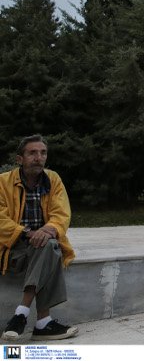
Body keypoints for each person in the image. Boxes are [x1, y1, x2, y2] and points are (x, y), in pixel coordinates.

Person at [1, 135, 78, 341]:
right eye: (32, 153)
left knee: (49, 245)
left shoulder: (53, 179)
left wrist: (47, 230)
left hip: (43, 243)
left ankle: (21, 314)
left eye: (43, 153)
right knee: (51, 250)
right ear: (20, 159)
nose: (38, 157)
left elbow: (62, 213)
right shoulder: (3, 182)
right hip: (12, 249)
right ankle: (43, 323)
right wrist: (27, 232)